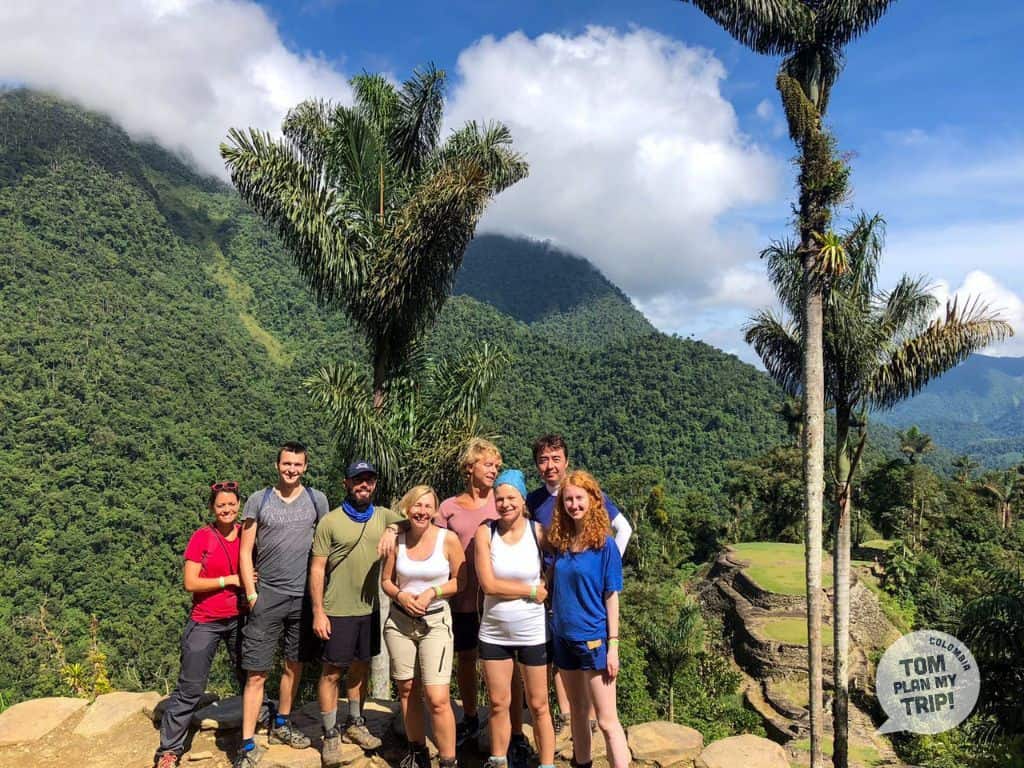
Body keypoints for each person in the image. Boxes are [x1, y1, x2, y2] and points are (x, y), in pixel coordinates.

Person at [525, 434, 632, 736]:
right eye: (543, 459)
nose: (550, 465)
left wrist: (602, 570)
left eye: (556, 458)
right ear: (536, 465)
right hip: (552, 589)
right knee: (562, 654)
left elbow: (623, 528)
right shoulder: (533, 500)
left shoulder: (582, 491)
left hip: (585, 591)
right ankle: (568, 715)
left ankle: (593, 718)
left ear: (566, 461)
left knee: (590, 655)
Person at [234, 442, 331, 768]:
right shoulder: (258, 500)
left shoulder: (317, 500)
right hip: (268, 596)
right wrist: (251, 593)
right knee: (257, 673)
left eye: (297, 464)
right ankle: (247, 744)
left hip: (303, 598)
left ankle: (281, 723)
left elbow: (326, 548)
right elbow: (245, 551)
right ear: (277, 465)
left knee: (294, 664)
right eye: (287, 464)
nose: (291, 469)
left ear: (305, 467)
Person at [310, 460, 405, 765]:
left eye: (369, 480)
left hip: (369, 609)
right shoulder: (331, 521)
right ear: (347, 484)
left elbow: (415, 520)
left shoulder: (381, 516)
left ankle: (356, 722)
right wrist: (318, 612)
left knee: (361, 667)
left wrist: (392, 527)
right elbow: (317, 568)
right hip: (337, 609)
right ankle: (330, 734)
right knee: (332, 672)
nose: (364, 485)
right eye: (358, 480)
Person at [154, 482, 248, 768]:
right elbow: (190, 582)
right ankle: (169, 750)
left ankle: (255, 728)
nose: (227, 510)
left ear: (239, 505)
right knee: (191, 687)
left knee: (250, 676)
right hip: (206, 619)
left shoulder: (247, 533)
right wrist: (228, 580)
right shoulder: (202, 537)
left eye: (231, 504)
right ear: (212, 508)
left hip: (240, 617)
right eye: (221, 505)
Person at [474, 469, 555, 768]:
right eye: (500, 498)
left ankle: (546, 764)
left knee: (539, 705)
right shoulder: (487, 532)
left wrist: (549, 579)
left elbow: (563, 553)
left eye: (511, 498)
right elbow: (489, 585)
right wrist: (533, 589)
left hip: (533, 631)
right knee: (498, 704)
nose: (505, 504)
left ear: (523, 499)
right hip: (494, 632)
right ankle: (498, 760)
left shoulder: (537, 532)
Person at [381, 485, 467, 768]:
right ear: (407, 508)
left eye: (427, 506)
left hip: (435, 621)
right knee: (406, 688)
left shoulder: (448, 539)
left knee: (438, 696)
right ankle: (417, 751)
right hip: (400, 621)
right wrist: (401, 595)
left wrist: (433, 592)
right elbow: (387, 581)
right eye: (416, 506)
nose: (422, 511)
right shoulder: (399, 540)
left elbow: (460, 581)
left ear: (435, 510)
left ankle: (448, 760)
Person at [547, 470, 628, 768]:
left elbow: (611, 596)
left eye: (579, 498)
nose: (573, 504)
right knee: (579, 713)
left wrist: (614, 646)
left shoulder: (605, 546)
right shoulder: (564, 542)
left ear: (593, 501)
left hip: (594, 641)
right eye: (568, 499)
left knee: (607, 721)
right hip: (564, 639)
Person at [435, 438, 502, 748]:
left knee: (499, 661)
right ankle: (472, 717)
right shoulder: (449, 508)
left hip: (498, 598)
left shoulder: (502, 502)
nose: (494, 470)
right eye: (488, 465)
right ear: (470, 467)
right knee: (465, 658)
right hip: (462, 599)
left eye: (497, 466)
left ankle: (507, 720)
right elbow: (429, 540)